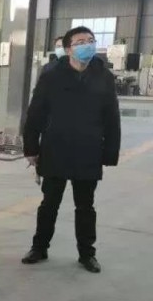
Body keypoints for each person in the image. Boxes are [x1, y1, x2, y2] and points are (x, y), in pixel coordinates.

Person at [22, 25, 121, 273]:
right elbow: (35, 113)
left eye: (90, 40)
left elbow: (112, 117)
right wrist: (31, 148)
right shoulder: (51, 75)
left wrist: (110, 153)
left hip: (88, 150)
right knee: (49, 203)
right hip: (56, 148)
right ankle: (39, 247)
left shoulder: (104, 77)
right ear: (68, 49)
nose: (87, 45)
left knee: (85, 206)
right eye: (80, 42)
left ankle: (87, 254)